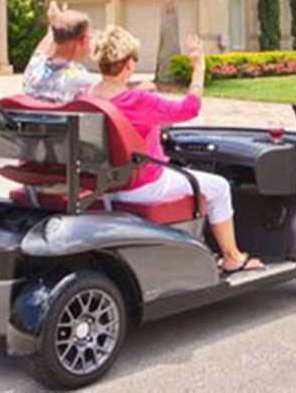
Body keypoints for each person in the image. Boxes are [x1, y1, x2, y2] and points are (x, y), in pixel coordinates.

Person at [88, 25, 264, 274]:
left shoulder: (89, 97)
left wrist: (136, 91)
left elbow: (117, 104)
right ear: (128, 65)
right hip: (145, 186)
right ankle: (232, 256)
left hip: (107, 188)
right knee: (219, 187)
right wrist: (199, 67)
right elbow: (189, 108)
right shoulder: (139, 102)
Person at [23, 1, 154, 103]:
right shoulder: (79, 80)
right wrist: (146, 87)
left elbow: (43, 47)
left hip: (38, 135)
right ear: (82, 41)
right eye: (89, 35)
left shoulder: (34, 70)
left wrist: (56, 20)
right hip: (70, 137)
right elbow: (115, 87)